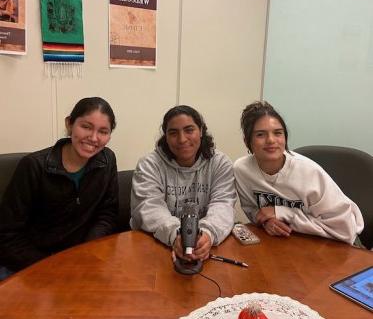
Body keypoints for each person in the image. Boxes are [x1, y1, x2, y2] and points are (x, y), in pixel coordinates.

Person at [0, 97, 119, 275]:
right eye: (86, 127)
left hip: (80, 261)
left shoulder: (107, 160)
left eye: (103, 131)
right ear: (70, 124)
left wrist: (86, 252)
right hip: (30, 262)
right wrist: (54, 267)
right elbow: (7, 234)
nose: (93, 138)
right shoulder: (33, 166)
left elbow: (107, 213)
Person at [234, 101, 364, 245]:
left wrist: (283, 213)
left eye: (278, 133)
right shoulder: (242, 170)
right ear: (247, 142)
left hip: (342, 243)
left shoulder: (309, 172)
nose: (271, 140)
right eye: (260, 134)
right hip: (292, 241)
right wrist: (267, 222)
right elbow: (254, 211)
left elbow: (344, 230)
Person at [130, 105, 236, 261]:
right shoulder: (149, 165)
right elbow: (149, 207)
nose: (182, 139)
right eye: (173, 133)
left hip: (203, 246)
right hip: (155, 245)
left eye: (189, 130)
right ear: (165, 136)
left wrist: (207, 234)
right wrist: (175, 235)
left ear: (201, 130)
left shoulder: (220, 163)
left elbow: (223, 204)